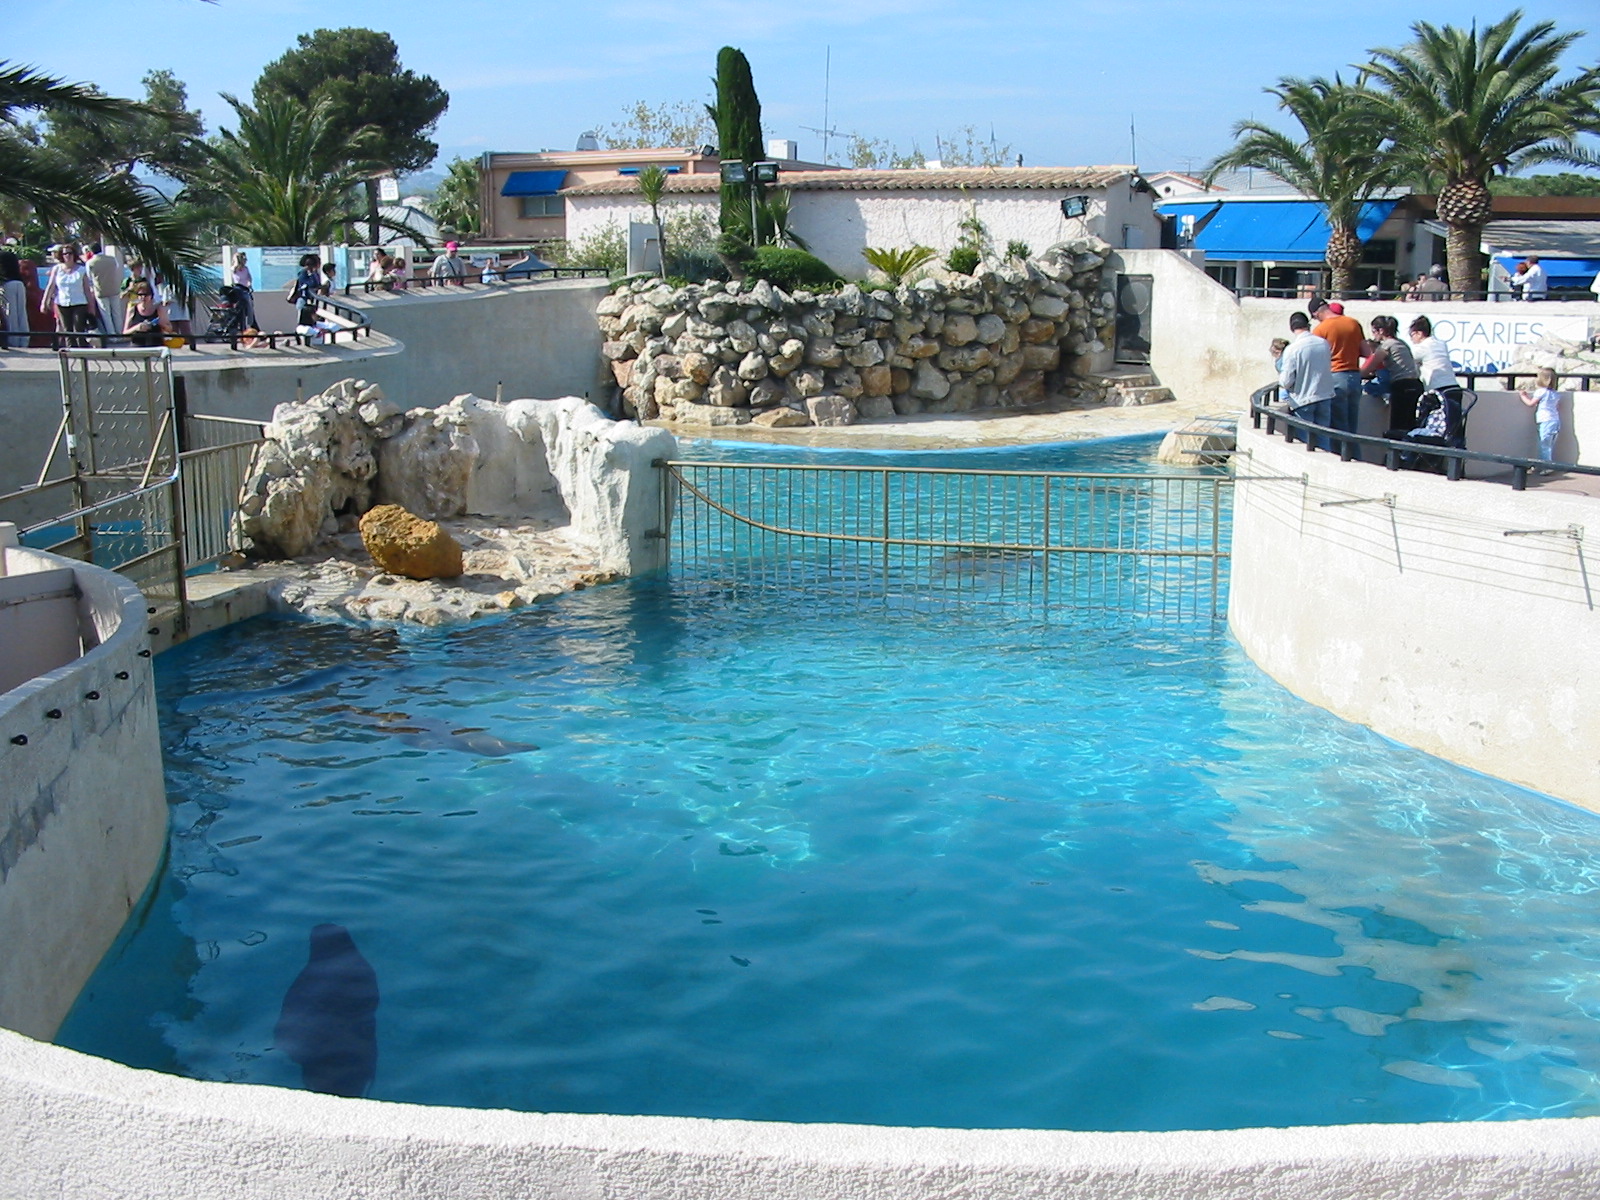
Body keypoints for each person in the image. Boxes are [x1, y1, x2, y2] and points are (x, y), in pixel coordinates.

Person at [1312, 297, 1364, 456]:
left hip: (1335, 377)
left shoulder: (1320, 330)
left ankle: (1344, 461)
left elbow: (1316, 359)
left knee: (1338, 427)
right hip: (1355, 377)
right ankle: (1357, 459)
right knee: (1352, 427)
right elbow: (1367, 352)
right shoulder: (1353, 323)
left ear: (1316, 313)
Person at [1278, 311, 1336, 450]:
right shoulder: (1323, 344)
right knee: (1323, 439)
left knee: (1305, 444)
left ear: (1292, 328)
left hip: (1303, 400)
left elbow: (1286, 381)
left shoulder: (1292, 349)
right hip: (1324, 396)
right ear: (1308, 325)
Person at [1365, 315, 1422, 430]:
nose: (1373, 335)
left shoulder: (1386, 345)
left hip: (1402, 386)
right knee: (1409, 425)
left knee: (1397, 425)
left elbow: (1370, 366)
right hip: (1415, 384)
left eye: (1374, 331)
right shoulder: (1402, 343)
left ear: (1381, 330)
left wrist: (1357, 374)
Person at [40, 243, 101, 342]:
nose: (67, 255)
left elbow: (87, 290)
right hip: (62, 303)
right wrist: (44, 302)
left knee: (78, 330)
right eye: (65, 254)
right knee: (67, 331)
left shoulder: (81, 270)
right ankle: (70, 353)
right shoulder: (57, 269)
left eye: (70, 253)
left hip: (79, 303)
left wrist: (91, 306)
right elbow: (50, 286)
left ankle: (82, 354)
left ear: (74, 255)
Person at [1519, 366, 1562, 472]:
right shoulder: (1555, 393)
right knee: (1548, 446)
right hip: (1555, 420)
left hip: (1545, 421)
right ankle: (1542, 465)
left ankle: (1547, 467)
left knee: (1544, 446)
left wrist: (1522, 395)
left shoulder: (1541, 392)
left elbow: (1530, 403)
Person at [121, 279, 173, 347]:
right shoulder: (132, 310)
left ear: (151, 296)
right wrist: (137, 327)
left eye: (146, 295)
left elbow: (170, 329)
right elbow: (125, 333)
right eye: (140, 294)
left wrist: (162, 324)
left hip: (156, 346)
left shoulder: (159, 309)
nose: (143, 297)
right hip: (137, 346)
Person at [86, 242, 121, 334]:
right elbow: (116, 269)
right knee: (117, 314)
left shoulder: (90, 263)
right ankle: (120, 333)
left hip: (100, 291)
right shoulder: (112, 259)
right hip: (114, 289)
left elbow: (89, 278)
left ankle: (112, 335)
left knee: (106, 315)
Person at [0, 250, 27, 349]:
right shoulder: (9, 254)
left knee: (10, 315)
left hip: (6, 285)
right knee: (22, 314)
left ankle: (13, 342)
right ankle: (24, 341)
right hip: (19, 283)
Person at [288, 253, 322, 329]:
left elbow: (318, 284)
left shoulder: (315, 273)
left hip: (311, 300)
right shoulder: (303, 273)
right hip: (303, 300)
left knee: (311, 322)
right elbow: (307, 284)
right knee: (302, 321)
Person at [230, 251, 257, 330]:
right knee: (242, 308)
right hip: (238, 288)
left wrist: (249, 283)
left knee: (249, 307)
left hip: (245, 289)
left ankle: (252, 324)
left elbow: (249, 278)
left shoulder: (246, 269)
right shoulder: (234, 269)